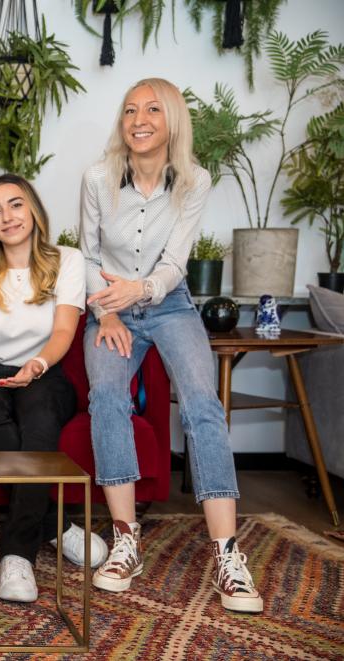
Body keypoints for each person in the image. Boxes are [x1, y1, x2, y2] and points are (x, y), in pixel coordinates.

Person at [80, 78, 262, 613]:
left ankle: (228, 555)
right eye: (130, 109)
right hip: (110, 305)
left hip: (170, 303)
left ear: (172, 121)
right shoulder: (97, 178)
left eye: (153, 110)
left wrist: (143, 291)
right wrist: (107, 307)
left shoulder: (194, 181)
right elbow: (87, 255)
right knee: (107, 395)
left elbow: (176, 261)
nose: (139, 119)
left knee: (204, 403)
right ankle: (125, 539)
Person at [0, 174, 108, 602]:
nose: (6, 217)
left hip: (44, 369)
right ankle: (55, 523)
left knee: (40, 423)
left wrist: (35, 365)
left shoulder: (67, 260)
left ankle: (15, 557)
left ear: (33, 209)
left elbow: (65, 330)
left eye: (15, 205)